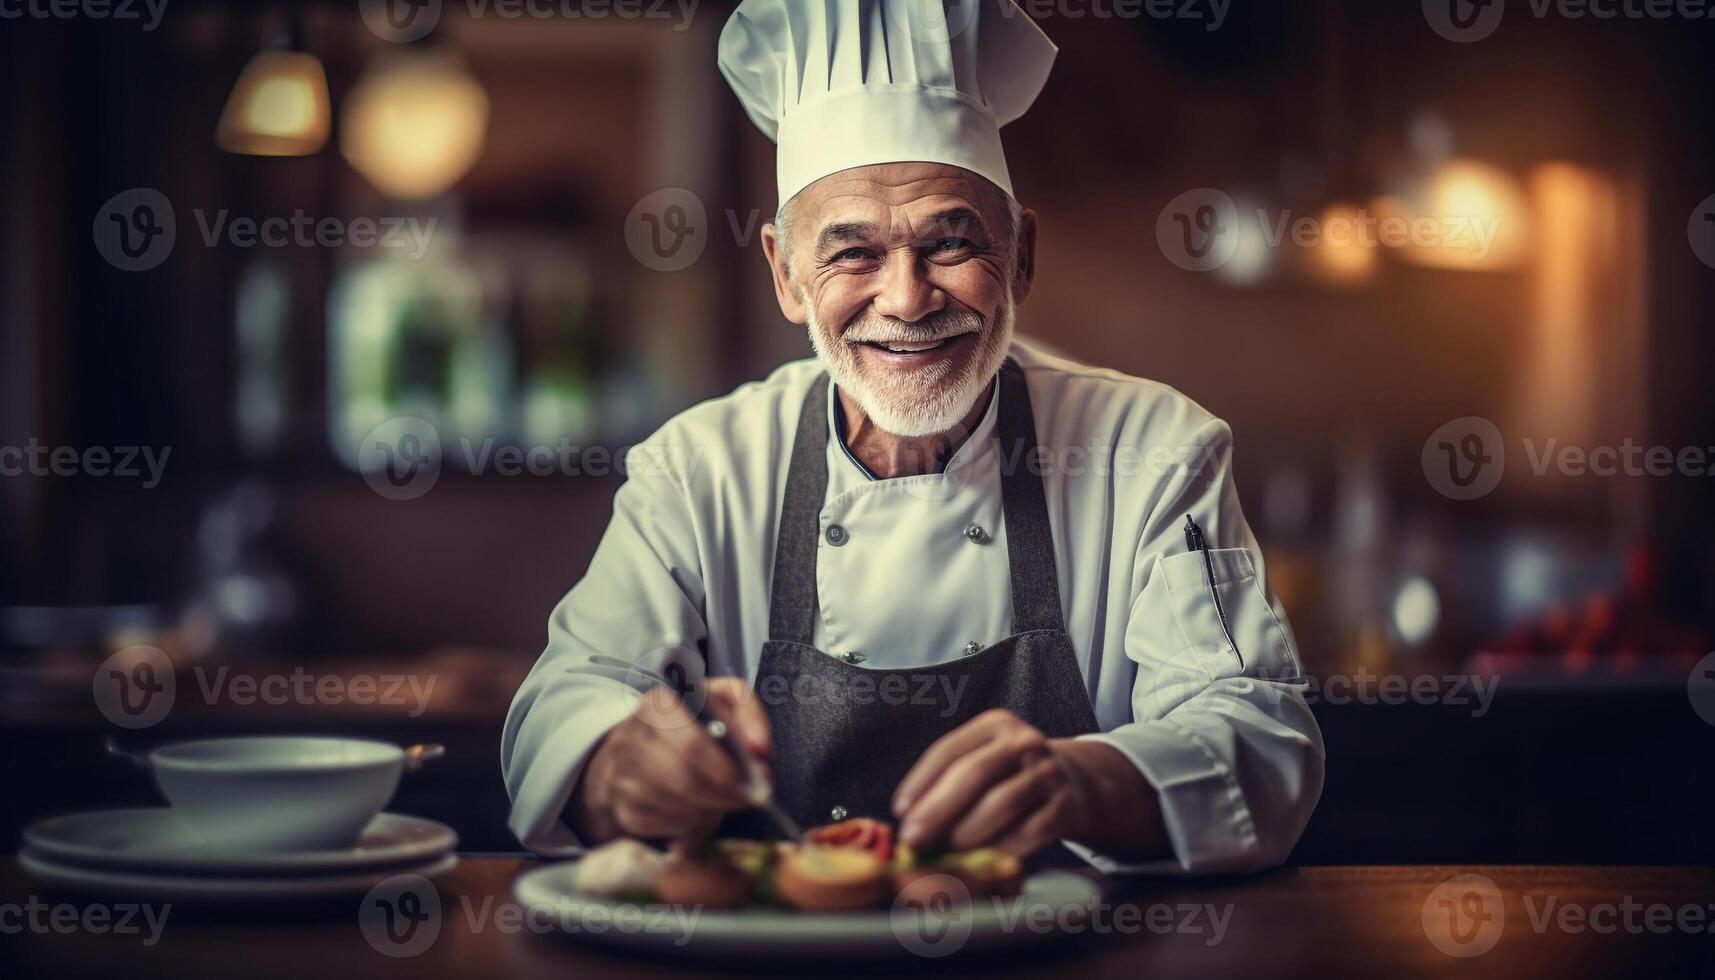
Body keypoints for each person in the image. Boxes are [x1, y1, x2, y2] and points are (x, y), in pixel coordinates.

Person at [503, 0, 1323, 874]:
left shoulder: (1152, 450)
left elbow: (1258, 733)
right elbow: (565, 702)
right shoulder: (698, 469)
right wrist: (618, 763)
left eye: (950, 241)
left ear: (1021, 253)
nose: (905, 299)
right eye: (852, 252)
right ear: (786, 274)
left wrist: (1086, 783)